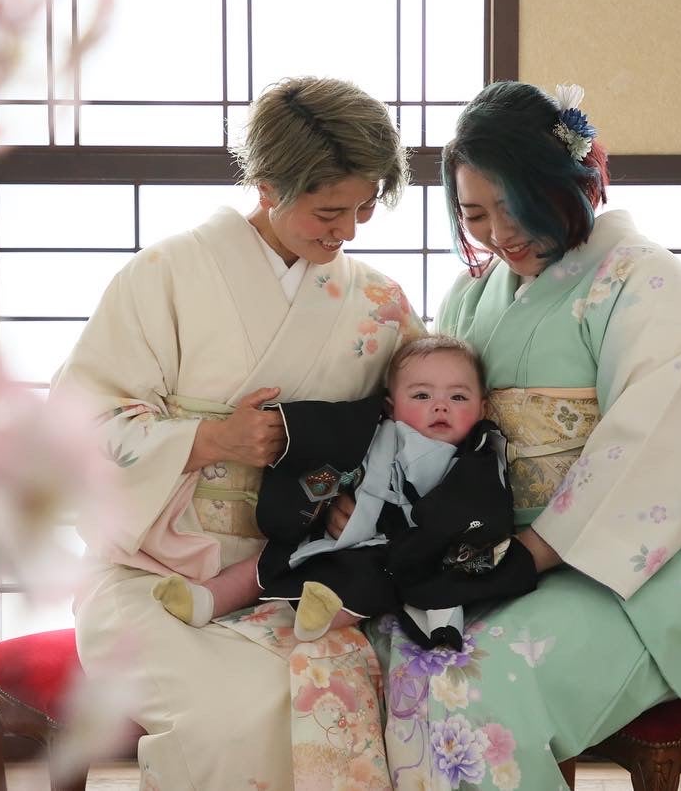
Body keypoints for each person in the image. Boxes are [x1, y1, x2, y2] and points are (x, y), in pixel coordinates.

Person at [344, 81, 681, 790]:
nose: (499, 234)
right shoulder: (470, 299)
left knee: (473, 684)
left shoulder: (648, 283)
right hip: (504, 554)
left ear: (565, 182)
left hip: (644, 570)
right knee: (397, 655)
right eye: (475, 214)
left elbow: (655, 444)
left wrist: (531, 553)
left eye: (514, 207)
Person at [53, 77, 426, 789]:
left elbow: (416, 426)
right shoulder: (165, 275)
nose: (345, 231)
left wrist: (368, 500)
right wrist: (208, 442)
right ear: (265, 185)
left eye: (363, 209)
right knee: (237, 712)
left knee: (362, 693)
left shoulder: (378, 303)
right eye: (327, 210)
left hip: (301, 575)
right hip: (149, 574)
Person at [153, 335, 538, 650]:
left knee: (370, 584)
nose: (440, 406)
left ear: (482, 406)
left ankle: (319, 618)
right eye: (421, 396)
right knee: (272, 559)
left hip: (398, 552)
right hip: (341, 532)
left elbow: (483, 511)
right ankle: (208, 597)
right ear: (391, 406)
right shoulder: (371, 435)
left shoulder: (477, 458)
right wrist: (320, 498)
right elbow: (336, 467)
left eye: (458, 397)